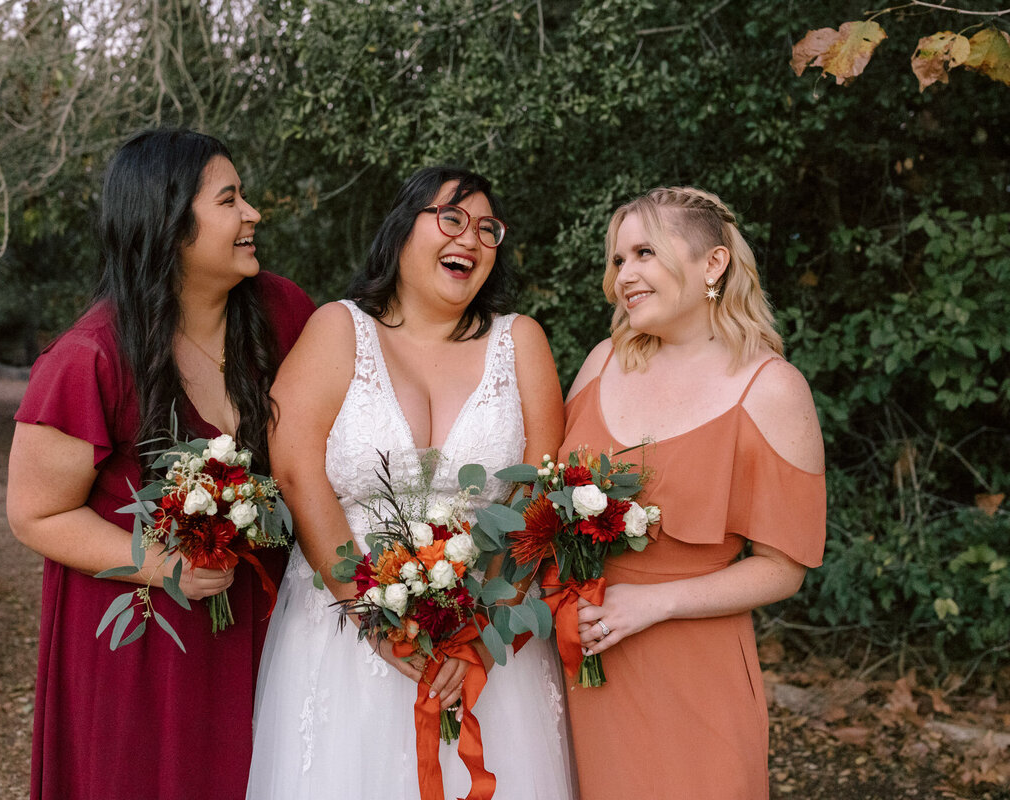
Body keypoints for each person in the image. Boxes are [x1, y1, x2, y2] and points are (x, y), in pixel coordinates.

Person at [6, 128, 316, 800]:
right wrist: (164, 563)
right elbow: (35, 513)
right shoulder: (89, 358)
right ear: (170, 223)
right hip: (145, 647)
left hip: (266, 627)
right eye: (230, 199)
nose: (252, 214)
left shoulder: (282, 315)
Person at [247, 167, 574, 799]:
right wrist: (373, 618)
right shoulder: (339, 329)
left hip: (485, 634)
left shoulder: (521, 341)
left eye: (488, 229)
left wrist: (476, 632)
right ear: (402, 230)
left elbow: (536, 495)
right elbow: (294, 467)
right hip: (347, 632)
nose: (471, 238)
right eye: (451, 218)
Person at [560, 186, 826, 799]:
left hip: (693, 670)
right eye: (618, 259)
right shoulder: (603, 363)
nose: (625, 274)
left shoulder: (771, 389)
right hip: (579, 663)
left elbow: (783, 570)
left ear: (713, 263)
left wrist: (654, 603)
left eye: (645, 252)